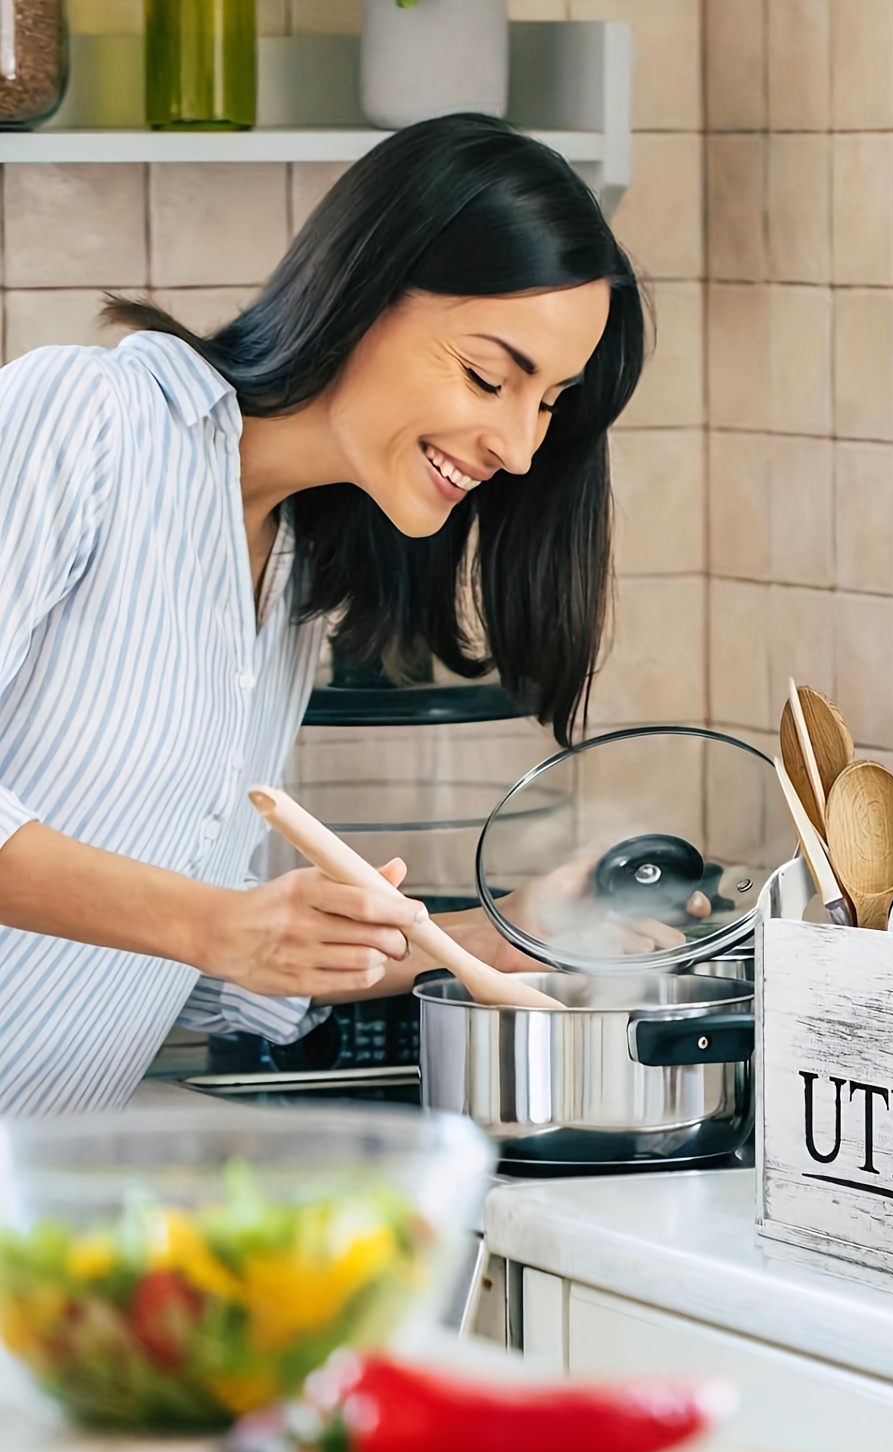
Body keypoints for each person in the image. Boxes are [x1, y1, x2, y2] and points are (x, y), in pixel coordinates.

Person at [0, 114, 647, 1114]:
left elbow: (221, 967)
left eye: (548, 402)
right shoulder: (88, 421)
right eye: (490, 376)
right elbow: (207, 931)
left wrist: (509, 928)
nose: (518, 448)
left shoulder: (292, 579)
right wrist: (212, 923)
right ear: (363, 292)